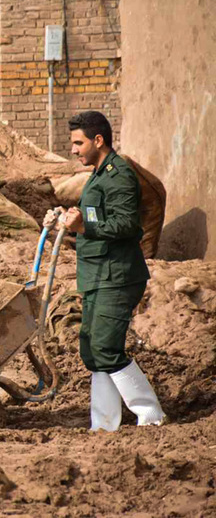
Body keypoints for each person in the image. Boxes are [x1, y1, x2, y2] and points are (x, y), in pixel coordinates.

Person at [45, 111, 165, 432]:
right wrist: (73, 219)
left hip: (118, 276)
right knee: (92, 349)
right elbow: (99, 218)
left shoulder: (119, 174)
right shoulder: (98, 175)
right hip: (97, 275)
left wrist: (84, 224)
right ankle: (104, 425)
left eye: (77, 143)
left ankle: (151, 416)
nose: (73, 150)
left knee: (106, 348)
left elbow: (127, 223)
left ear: (98, 140)